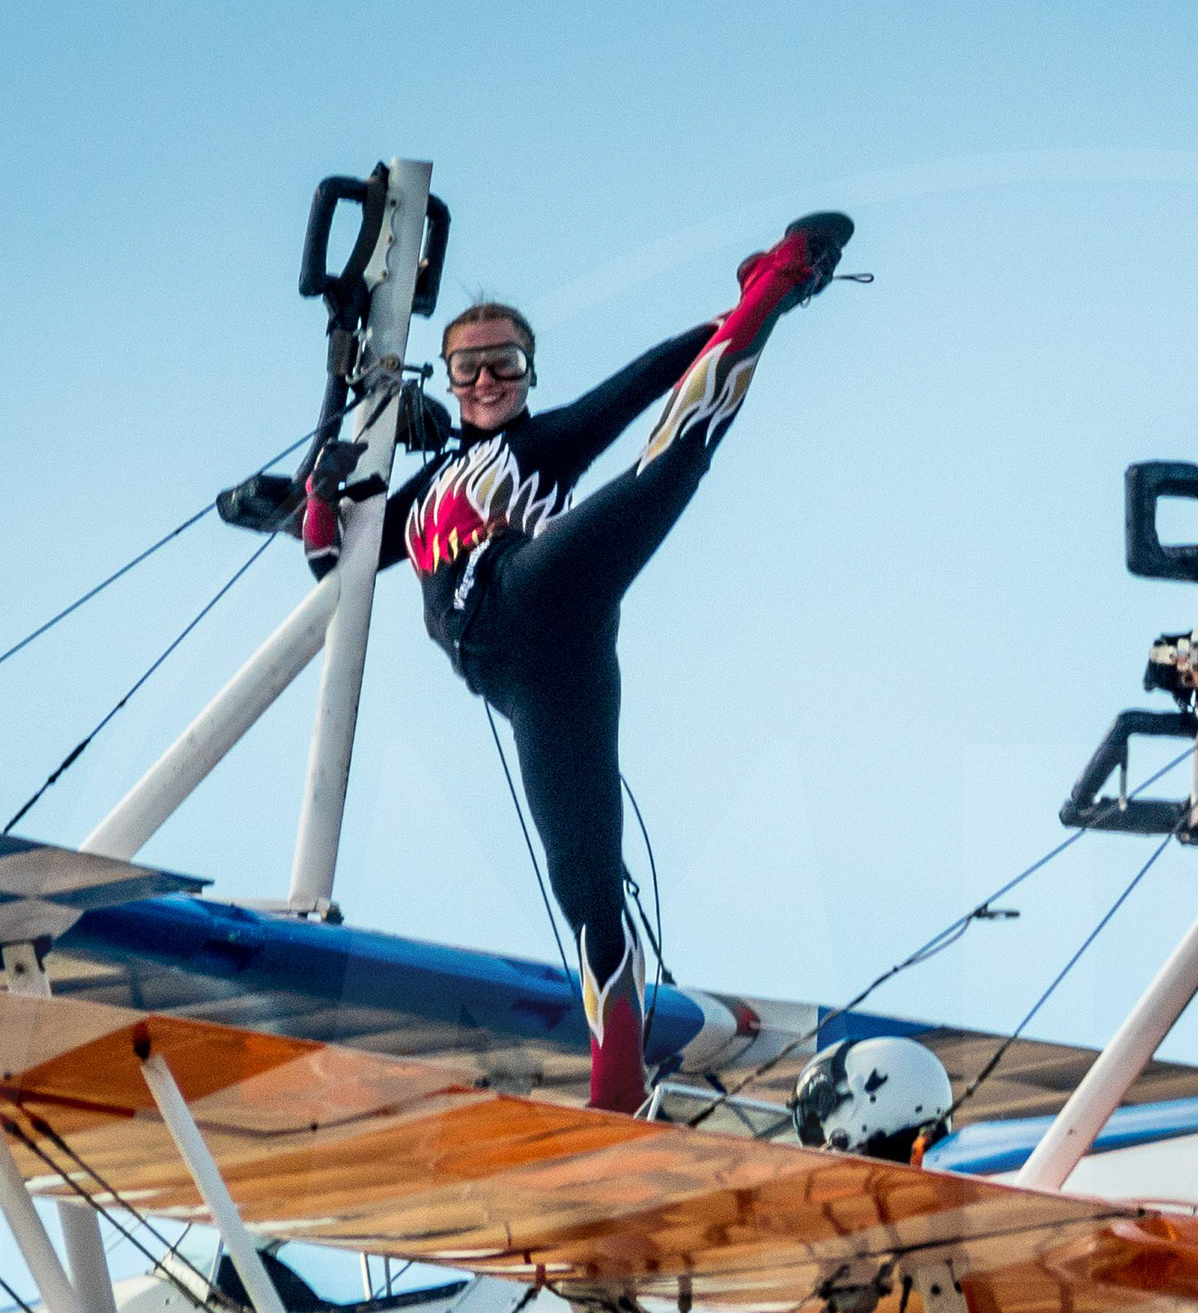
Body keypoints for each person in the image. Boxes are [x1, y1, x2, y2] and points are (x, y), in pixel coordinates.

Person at [290, 212, 855, 1111]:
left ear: (528, 375)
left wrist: (746, 302)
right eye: (468, 367)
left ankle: (784, 279)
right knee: (583, 880)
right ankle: (620, 1088)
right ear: (448, 376)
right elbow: (331, 559)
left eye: (504, 365)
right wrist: (327, 484)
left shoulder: (542, 442)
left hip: (540, 595)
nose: (484, 381)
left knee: (673, 457)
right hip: (524, 682)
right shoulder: (416, 496)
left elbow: (644, 381)